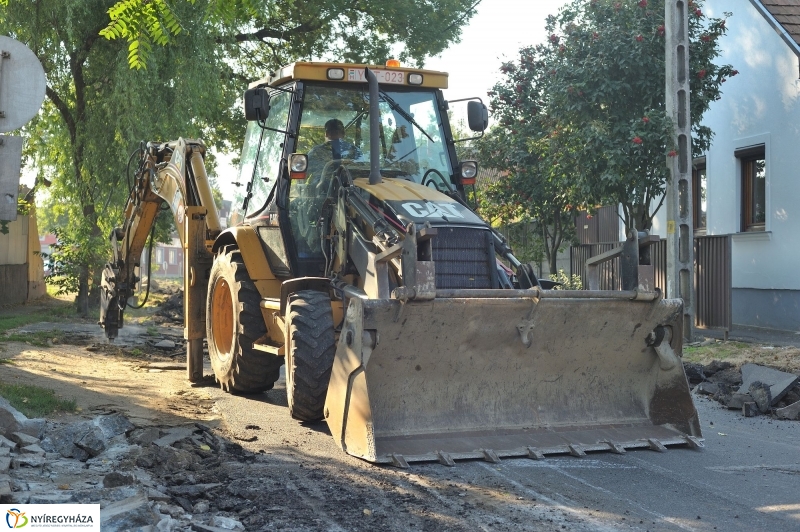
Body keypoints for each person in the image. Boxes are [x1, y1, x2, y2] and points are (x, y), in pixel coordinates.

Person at [306, 119, 360, 186]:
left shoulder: (316, 151)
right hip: (351, 191)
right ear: (343, 134)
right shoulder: (354, 150)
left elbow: (304, 175)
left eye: (336, 132)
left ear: (326, 134)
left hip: (320, 192)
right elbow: (362, 171)